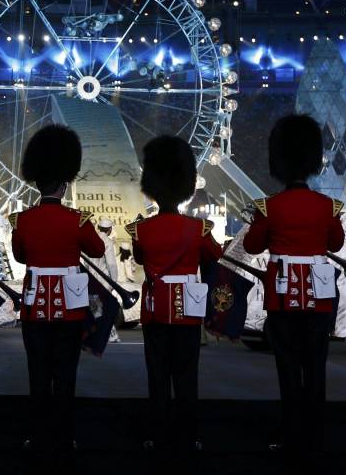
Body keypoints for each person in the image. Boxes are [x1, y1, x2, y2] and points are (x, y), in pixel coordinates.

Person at [242, 114, 345, 457]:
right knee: (316, 368)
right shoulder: (327, 205)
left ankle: (291, 435)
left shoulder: (269, 206)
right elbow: (337, 241)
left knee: (287, 368)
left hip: (283, 295)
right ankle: (316, 434)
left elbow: (254, 246)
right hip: (318, 295)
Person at [10, 124, 106, 456]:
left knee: (37, 374)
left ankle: (38, 438)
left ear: (37, 181)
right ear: (65, 183)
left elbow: (20, 256)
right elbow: (97, 250)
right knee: (65, 375)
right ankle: (65, 438)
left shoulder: (22, 220)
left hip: (35, 304)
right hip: (70, 305)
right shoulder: (77, 220)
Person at [125, 135, 223, 455]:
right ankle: (188, 436)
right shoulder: (199, 229)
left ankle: (158, 435)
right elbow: (214, 254)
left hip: (155, 310)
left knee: (157, 376)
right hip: (187, 309)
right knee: (186, 376)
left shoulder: (141, 230)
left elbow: (139, 258)